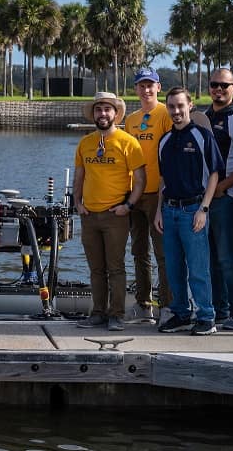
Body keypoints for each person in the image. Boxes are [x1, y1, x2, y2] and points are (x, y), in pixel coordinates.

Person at [72, 92, 146, 331]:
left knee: (115, 267)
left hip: (115, 215)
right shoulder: (86, 143)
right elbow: (80, 175)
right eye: (98, 109)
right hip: (89, 215)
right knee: (96, 269)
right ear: (93, 114)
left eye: (107, 109)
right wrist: (77, 202)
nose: (102, 114)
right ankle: (98, 313)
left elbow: (141, 180)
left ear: (115, 114)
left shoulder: (128, 142)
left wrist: (129, 206)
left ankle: (116, 314)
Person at [154, 87, 225, 336]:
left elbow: (215, 174)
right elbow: (163, 180)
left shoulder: (202, 136)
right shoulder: (164, 141)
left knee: (197, 268)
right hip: (169, 211)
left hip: (193, 210)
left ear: (190, 105)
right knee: (173, 268)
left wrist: (204, 209)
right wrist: (158, 212)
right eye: (171, 106)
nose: (176, 111)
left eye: (180, 106)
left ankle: (206, 316)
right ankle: (181, 313)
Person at [203, 68, 233, 331]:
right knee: (210, 257)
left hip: (228, 197)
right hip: (204, 199)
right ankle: (219, 310)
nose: (218, 89)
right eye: (214, 84)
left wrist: (223, 186)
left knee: (227, 255)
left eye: (224, 85)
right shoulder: (202, 117)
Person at [124, 66, 173, 324]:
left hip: (158, 193)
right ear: (136, 89)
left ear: (158, 87)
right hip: (135, 194)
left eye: (150, 85)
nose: (146, 90)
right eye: (141, 86)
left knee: (163, 253)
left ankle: (167, 305)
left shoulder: (166, 113)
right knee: (139, 252)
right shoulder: (131, 120)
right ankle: (144, 305)